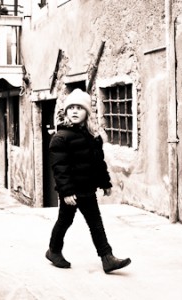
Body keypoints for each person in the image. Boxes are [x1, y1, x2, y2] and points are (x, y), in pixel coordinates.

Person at [45, 88, 132, 274]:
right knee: (64, 221)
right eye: (71, 108)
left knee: (96, 224)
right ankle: (53, 250)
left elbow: (98, 163)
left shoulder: (93, 137)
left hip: (88, 189)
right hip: (72, 192)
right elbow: (60, 169)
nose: (75, 111)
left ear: (87, 113)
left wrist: (105, 183)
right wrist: (66, 192)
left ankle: (107, 258)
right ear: (66, 112)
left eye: (79, 108)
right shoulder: (60, 138)